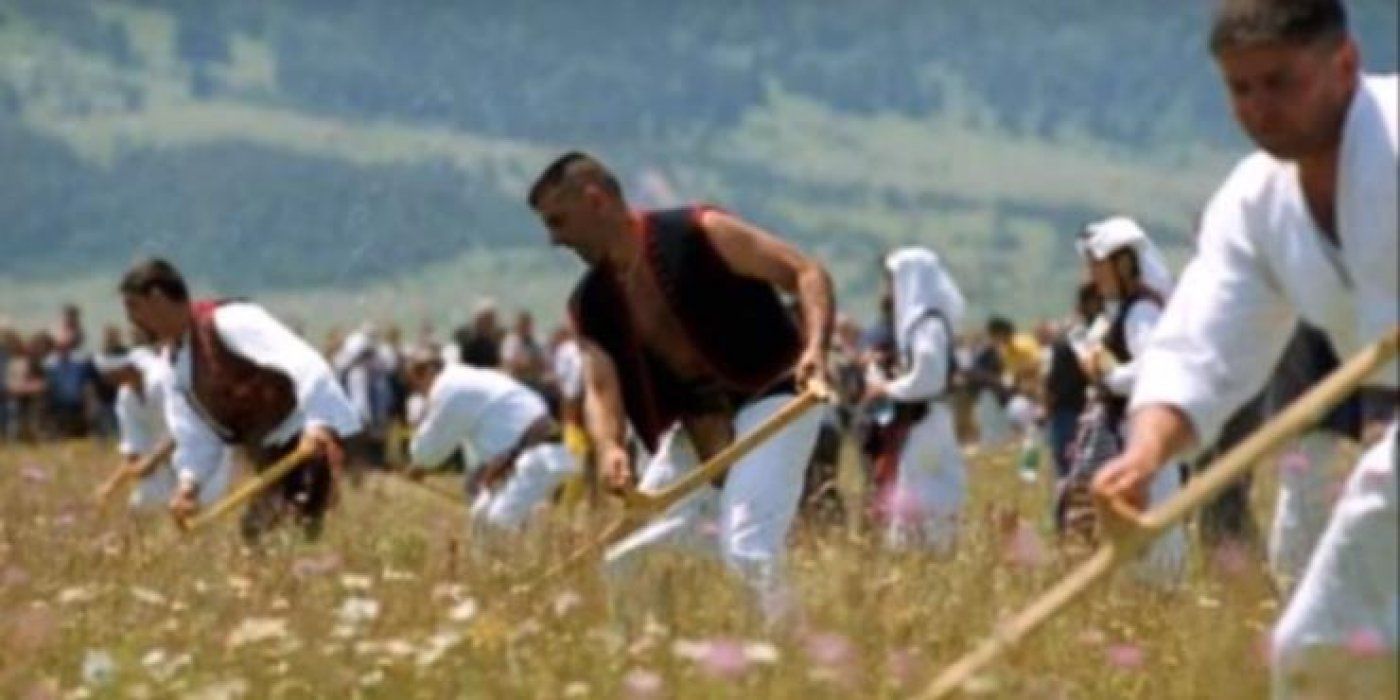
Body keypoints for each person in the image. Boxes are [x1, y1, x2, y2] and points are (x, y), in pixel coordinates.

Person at [1091, 1, 1396, 695]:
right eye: (1240, 88)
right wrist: (1145, 454)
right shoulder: (1257, 203)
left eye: (1280, 82)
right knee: (1321, 649)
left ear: (1345, 63)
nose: (1260, 108)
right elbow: (1204, 342)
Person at [528, 151, 831, 618]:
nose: (554, 239)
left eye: (558, 221)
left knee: (748, 549)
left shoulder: (700, 232)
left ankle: (792, 654)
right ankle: (645, 657)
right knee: (624, 561)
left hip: (776, 398)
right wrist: (610, 447)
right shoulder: (591, 302)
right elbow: (601, 386)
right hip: (693, 431)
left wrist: (815, 350)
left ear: (595, 200)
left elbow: (805, 273)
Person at [118, 258, 361, 542]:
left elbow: (306, 364)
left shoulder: (231, 321)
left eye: (134, 308)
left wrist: (318, 423)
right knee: (261, 537)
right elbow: (195, 433)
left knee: (278, 538)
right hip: (269, 459)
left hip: (307, 444)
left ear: (157, 299)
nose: (132, 321)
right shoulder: (173, 363)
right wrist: (188, 485)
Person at [404, 346, 578, 532]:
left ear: (429, 372)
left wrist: (418, 463)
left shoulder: (448, 388)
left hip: (535, 458)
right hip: (533, 455)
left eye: (416, 384)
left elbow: (428, 452)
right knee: (485, 520)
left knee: (496, 529)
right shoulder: (467, 378)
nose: (421, 393)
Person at [863, 248, 968, 553]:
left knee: (927, 491)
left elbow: (928, 379)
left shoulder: (927, 325)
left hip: (927, 423)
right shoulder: (923, 324)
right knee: (916, 488)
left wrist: (887, 388)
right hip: (922, 422)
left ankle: (930, 551)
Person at [92, 348, 231, 512]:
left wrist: (152, 461)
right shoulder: (126, 398)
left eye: (108, 373)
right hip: (166, 461)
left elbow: (185, 427)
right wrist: (111, 486)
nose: (106, 379)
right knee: (142, 506)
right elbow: (134, 452)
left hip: (199, 452)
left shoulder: (162, 379)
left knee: (202, 504)